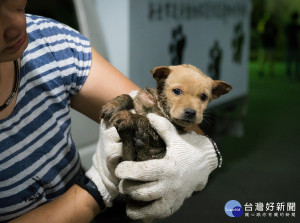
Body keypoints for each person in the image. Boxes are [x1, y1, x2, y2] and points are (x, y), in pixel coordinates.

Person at [0, 0, 220, 222]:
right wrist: (98, 186)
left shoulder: (52, 42)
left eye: (17, 6)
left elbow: (148, 110)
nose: (18, 25)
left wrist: (205, 154)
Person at [285, 11, 300, 81]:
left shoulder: (288, 26)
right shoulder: (297, 26)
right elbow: (298, 36)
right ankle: (295, 75)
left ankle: (288, 75)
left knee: (289, 61)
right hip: (295, 45)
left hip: (289, 45)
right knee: (296, 61)